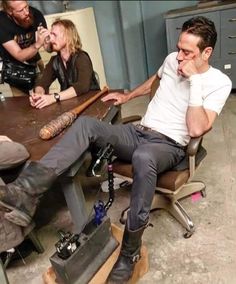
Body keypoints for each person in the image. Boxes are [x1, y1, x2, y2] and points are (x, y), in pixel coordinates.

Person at [0, 16, 232, 283]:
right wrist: (128, 96)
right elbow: (153, 80)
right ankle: (23, 191)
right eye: (179, 48)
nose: (179, 57)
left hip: (167, 145)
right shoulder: (171, 60)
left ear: (207, 52)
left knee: (144, 157)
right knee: (87, 124)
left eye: (187, 52)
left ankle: (129, 254)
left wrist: (194, 83)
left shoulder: (218, 82)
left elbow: (195, 129)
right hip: (138, 132)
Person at [29, 19, 100, 109]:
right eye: (50, 34)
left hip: (92, 105)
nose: (50, 39)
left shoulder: (81, 57)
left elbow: (82, 86)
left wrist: (54, 97)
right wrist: (38, 95)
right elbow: (42, 82)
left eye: (54, 35)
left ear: (68, 37)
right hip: (72, 106)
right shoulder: (55, 61)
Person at [0, 0, 49, 96]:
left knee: (43, 100)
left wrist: (51, 40)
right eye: (20, 10)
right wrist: (38, 44)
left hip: (35, 62)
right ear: (10, 11)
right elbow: (19, 55)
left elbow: (48, 46)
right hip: (14, 70)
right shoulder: (1, 22)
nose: (26, 12)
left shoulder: (36, 14)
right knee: (22, 106)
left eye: (26, 6)